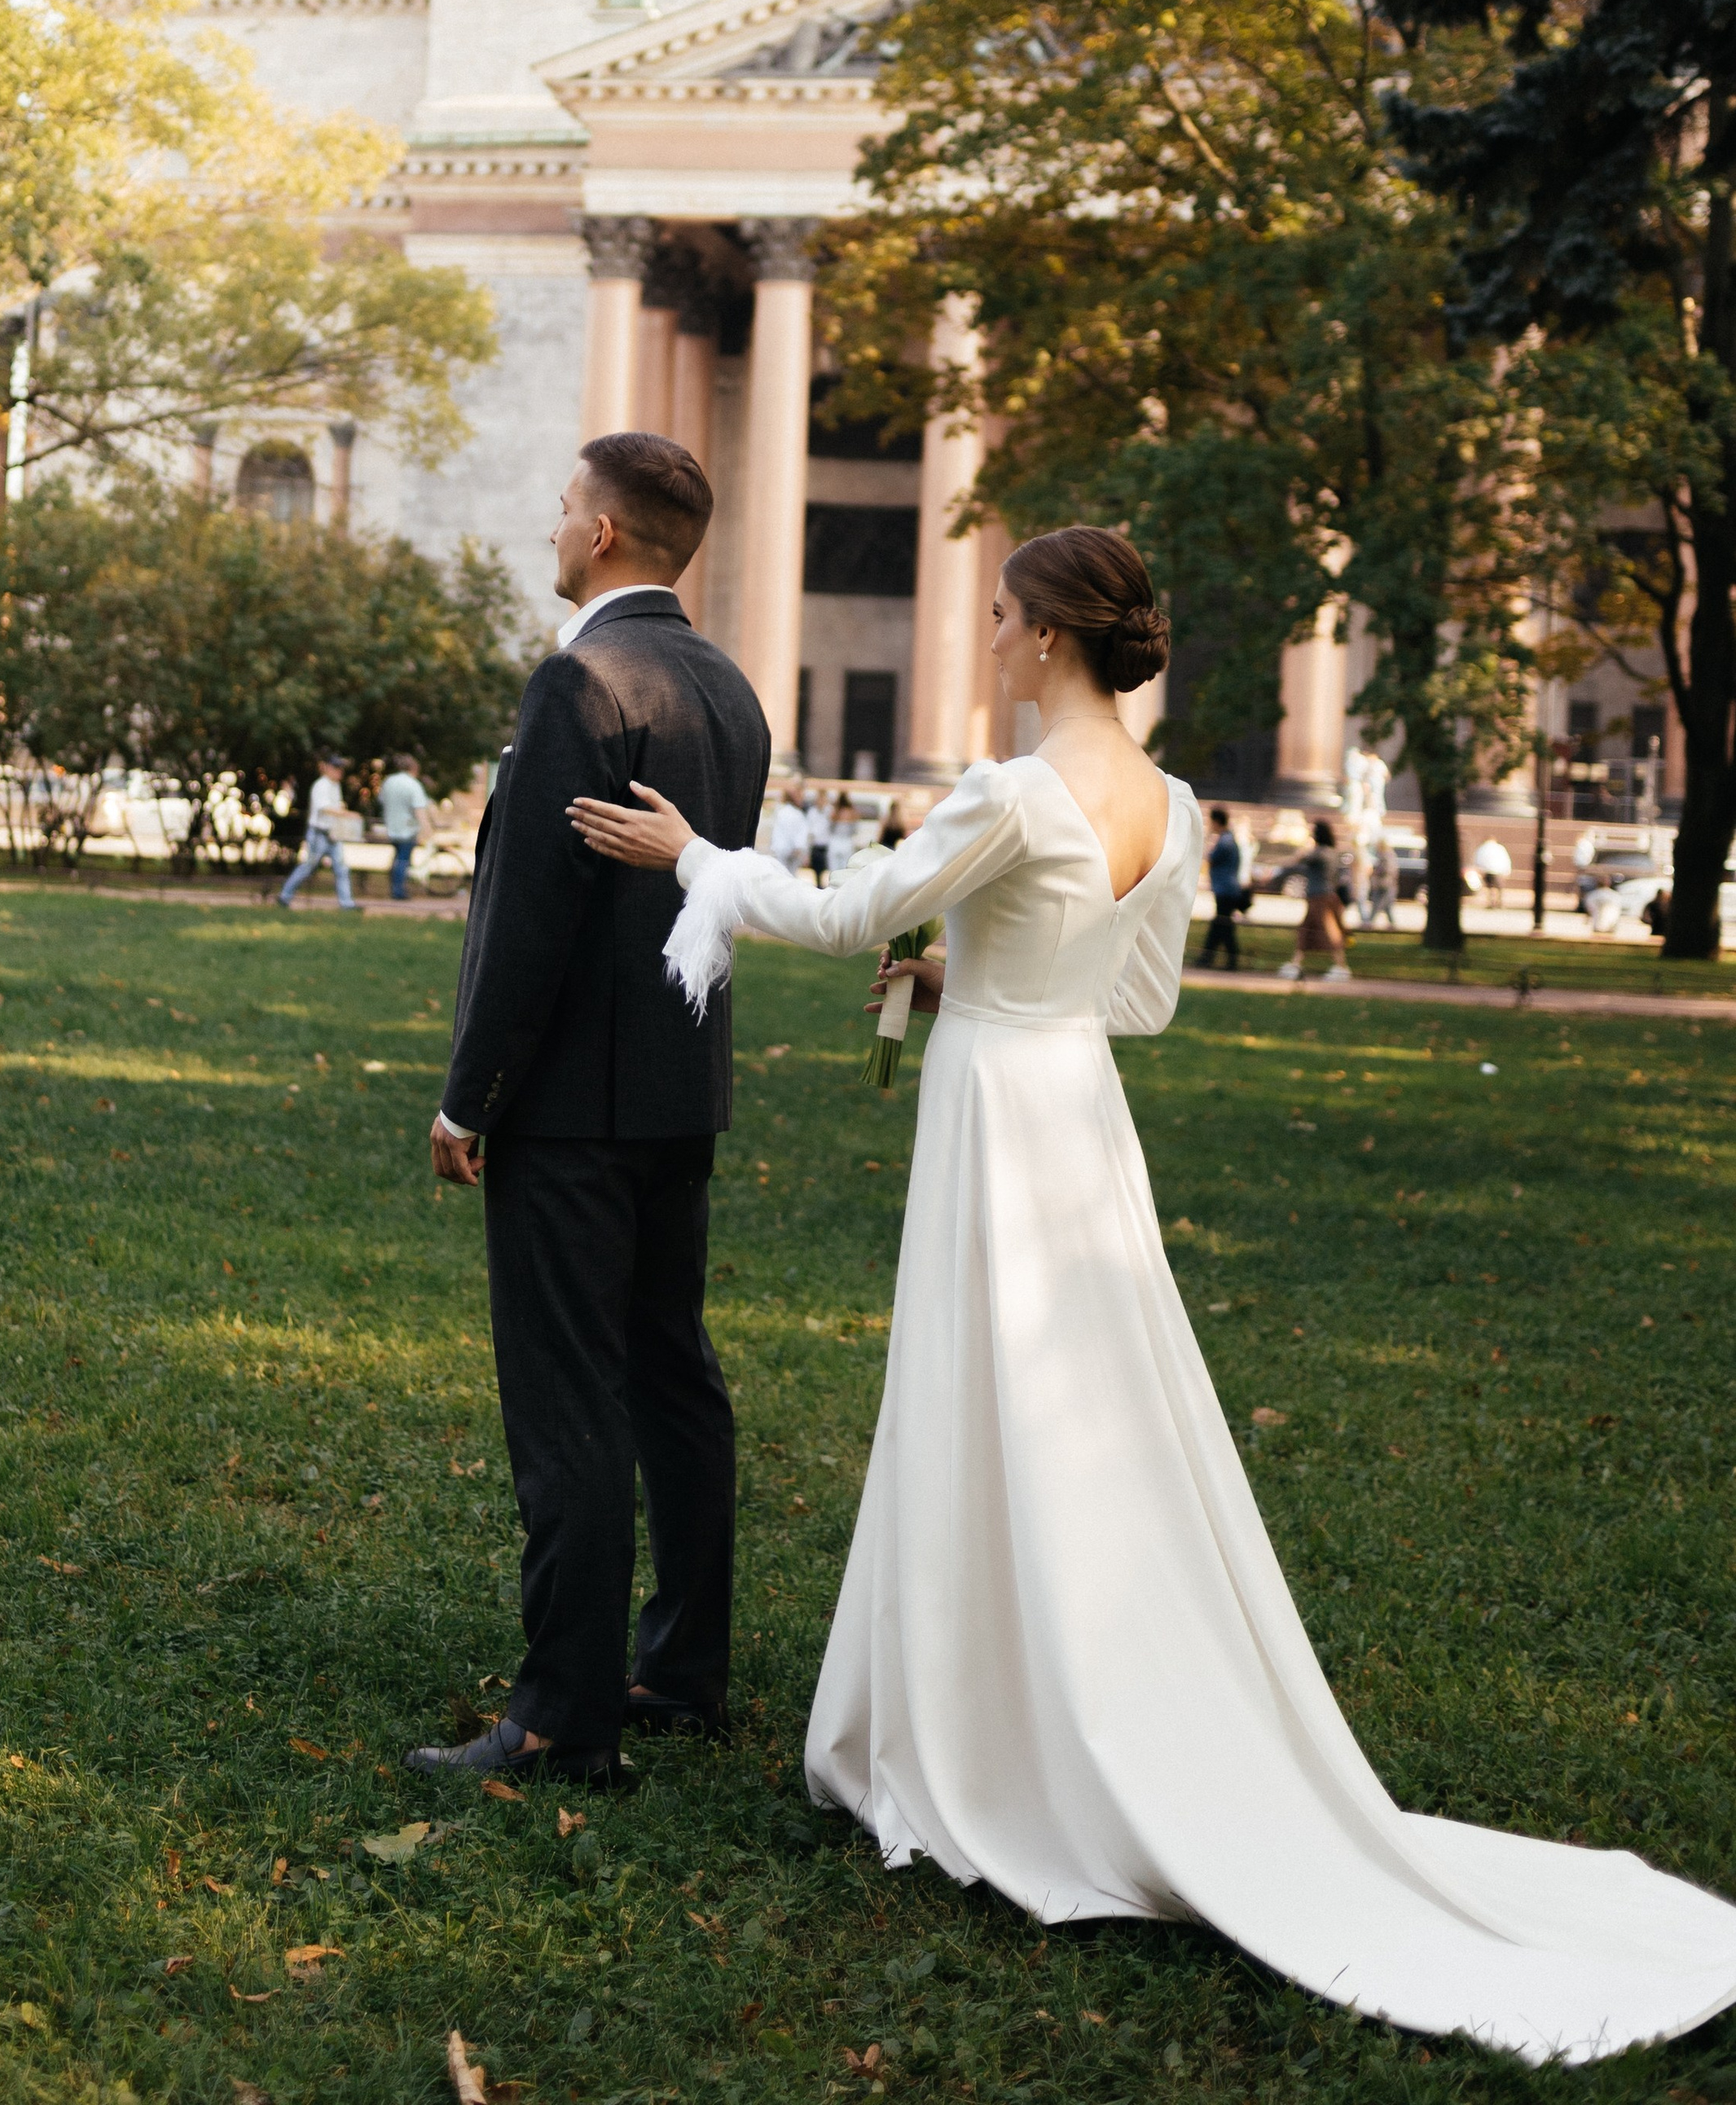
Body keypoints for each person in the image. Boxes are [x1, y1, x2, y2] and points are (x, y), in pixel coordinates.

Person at [569, 524, 1736, 2067]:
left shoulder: (1011, 790)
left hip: (999, 1114)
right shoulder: (1172, 804)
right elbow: (1141, 999)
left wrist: (698, 863)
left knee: (978, 1391)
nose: (984, 637)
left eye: (997, 616)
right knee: (1085, 1404)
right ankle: (1051, 1688)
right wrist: (968, 978)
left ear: (1048, 638)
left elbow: (850, 907)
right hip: (1076, 1108)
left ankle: (995, 1736)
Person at [408, 432, 769, 1791]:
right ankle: (680, 1666)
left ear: (605, 536)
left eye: (564, 508)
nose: (553, 526)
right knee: (674, 1377)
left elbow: (532, 924)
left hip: (567, 1106)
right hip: (682, 1089)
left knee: (568, 1399)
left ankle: (559, 1720)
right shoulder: (731, 690)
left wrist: (470, 1095)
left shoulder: (581, 678)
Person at [276, 753, 358, 913]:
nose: (339, 772)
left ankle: (347, 903)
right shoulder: (321, 785)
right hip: (319, 833)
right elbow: (325, 808)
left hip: (332, 833)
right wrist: (346, 814)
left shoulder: (335, 786)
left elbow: (335, 807)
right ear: (326, 768)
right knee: (308, 866)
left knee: (341, 868)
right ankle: (285, 896)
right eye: (336, 768)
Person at [1279, 817, 1353, 984]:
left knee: (1328, 933)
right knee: (1306, 931)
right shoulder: (1333, 853)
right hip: (1324, 897)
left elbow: (1298, 859)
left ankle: (1341, 967)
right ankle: (1296, 963)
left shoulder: (1319, 854)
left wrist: (1306, 845)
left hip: (1319, 899)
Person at [377, 754, 429, 902]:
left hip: (391, 826)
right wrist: (426, 829)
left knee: (397, 858)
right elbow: (419, 810)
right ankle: (398, 890)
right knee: (403, 860)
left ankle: (395, 885)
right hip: (408, 828)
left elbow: (382, 800)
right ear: (414, 768)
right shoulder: (413, 785)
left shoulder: (389, 782)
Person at [1198, 802, 1243, 969]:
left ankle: (1225, 959)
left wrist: (1208, 838)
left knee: (1223, 925)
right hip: (1227, 888)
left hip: (1225, 889)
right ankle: (1208, 957)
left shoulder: (1225, 841)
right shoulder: (1230, 839)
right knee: (1220, 924)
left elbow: (1210, 858)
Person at [769, 780, 811, 874]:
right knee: (790, 875)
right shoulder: (797, 814)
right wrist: (799, 847)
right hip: (790, 849)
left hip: (780, 848)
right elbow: (797, 833)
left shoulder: (781, 811)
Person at [827, 791, 862, 878]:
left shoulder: (835, 812)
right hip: (846, 842)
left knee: (834, 869)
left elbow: (829, 827)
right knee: (845, 869)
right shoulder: (852, 812)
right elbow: (855, 830)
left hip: (836, 841)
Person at [806, 788, 833, 885]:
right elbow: (809, 830)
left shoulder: (830, 811)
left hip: (827, 844)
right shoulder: (812, 812)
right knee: (817, 869)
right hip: (816, 844)